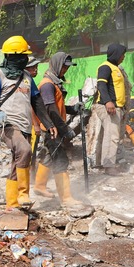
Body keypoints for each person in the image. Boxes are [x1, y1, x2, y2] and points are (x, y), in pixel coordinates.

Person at [0, 35, 56, 210]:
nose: (25, 59)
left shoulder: (26, 77)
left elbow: (37, 102)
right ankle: (23, 194)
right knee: (24, 150)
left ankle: (12, 204)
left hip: (25, 126)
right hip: (8, 125)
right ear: (12, 56)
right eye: (22, 55)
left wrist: (48, 124)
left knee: (18, 162)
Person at [33, 52, 93, 215]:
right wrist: (65, 129)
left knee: (48, 156)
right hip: (52, 128)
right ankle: (66, 198)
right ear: (57, 65)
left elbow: (57, 106)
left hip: (52, 127)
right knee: (61, 160)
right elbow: (50, 109)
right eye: (64, 66)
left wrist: (72, 109)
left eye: (67, 67)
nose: (66, 69)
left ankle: (39, 186)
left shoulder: (53, 82)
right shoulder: (47, 85)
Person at [87, 43, 130, 176]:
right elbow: (101, 85)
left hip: (116, 107)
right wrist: (108, 102)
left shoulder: (116, 68)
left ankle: (104, 163)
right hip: (109, 107)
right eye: (122, 54)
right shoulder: (105, 67)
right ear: (116, 54)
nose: (123, 57)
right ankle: (109, 166)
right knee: (112, 137)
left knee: (109, 135)